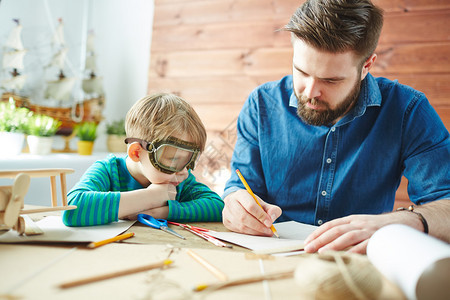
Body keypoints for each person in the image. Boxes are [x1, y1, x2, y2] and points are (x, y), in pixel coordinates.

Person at [222, 0, 450, 253]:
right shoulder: (261, 104)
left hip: (357, 268)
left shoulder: (407, 109)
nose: (310, 92)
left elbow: (447, 205)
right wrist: (234, 203)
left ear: (367, 66)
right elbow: (241, 187)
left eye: (330, 80)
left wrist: (398, 223)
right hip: (270, 260)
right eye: (301, 71)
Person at [63, 93, 224, 226]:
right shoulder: (108, 170)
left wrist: (163, 211)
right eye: (173, 160)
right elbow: (71, 209)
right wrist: (153, 197)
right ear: (136, 152)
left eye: (189, 160)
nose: (183, 171)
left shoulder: (179, 180)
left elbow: (218, 206)